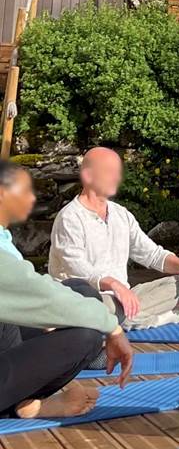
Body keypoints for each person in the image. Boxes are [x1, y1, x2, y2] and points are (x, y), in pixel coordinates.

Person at [0, 159, 134, 419]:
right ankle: (24, 403)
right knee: (87, 334)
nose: (31, 198)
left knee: (80, 293)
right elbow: (33, 291)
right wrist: (113, 328)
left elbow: (32, 287)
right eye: (25, 190)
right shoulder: (72, 216)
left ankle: (26, 397)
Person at [48, 147, 179, 328]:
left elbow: (152, 254)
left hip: (122, 296)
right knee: (102, 309)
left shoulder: (121, 214)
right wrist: (114, 285)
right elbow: (79, 270)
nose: (116, 178)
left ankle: (125, 318)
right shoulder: (69, 217)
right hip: (84, 298)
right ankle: (155, 318)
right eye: (109, 171)